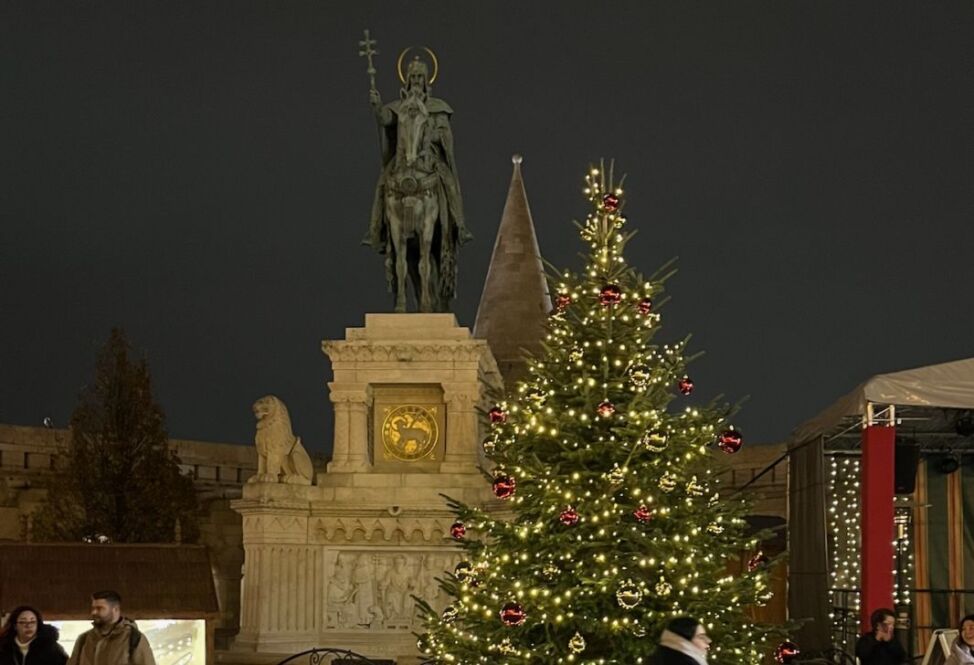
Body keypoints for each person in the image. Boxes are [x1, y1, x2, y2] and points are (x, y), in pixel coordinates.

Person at [67, 591, 155, 665]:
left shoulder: (134, 639)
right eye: (93, 608)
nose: (94, 612)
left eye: (99, 608)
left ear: (115, 609)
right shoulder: (84, 640)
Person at [0, 606, 67, 665]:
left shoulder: (52, 648)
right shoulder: (4, 648)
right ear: (15, 626)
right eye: (23, 622)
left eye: (33, 622)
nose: (28, 626)